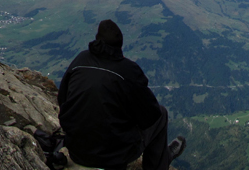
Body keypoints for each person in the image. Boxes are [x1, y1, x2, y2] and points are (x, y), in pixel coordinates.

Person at [59, 20, 184, 170]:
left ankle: (163, 157)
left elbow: (62, 99)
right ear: (120, 44)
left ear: (97, 39)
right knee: (161, 115)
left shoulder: (80, 60)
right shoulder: (128, 71)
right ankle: (160, 162)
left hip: (76, 149)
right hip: (113, 157)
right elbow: (151, 115)